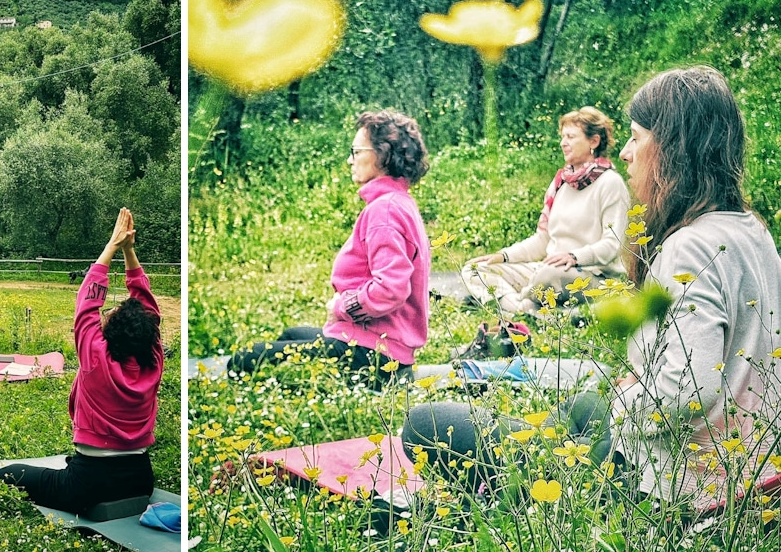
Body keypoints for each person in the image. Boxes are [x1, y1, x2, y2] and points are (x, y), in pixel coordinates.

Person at [403, 66, 781, 513]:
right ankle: (545, 450)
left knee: (424, 423)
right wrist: (637, 386)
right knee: (584, 403)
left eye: (636, 139)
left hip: (671, 481)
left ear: (674, 150)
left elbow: (688, 391)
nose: (626, 152)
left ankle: (523, 489)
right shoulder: (752, 230)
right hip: (745, 463)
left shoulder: (690, 247)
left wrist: (626, 401)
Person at [223, 110, 432, 388]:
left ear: (383, 155)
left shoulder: (385, 211)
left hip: (376, 357)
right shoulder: (399, 202)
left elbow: (390, 290)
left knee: (243, 360)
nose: (350, 160)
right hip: (381, 346)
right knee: (291, 335)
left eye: (356, 151)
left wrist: (342, 306)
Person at [0, 208, 162, 514]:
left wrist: (112, 246)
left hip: (89, 484)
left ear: (111, 332)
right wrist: (129, 251)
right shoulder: (153, 360)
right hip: (140, 480)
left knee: (2, 476)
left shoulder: (96, 356)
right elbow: (148, 307)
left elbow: (86, 301)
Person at [461, 107, 631, 314]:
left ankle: (517, 306)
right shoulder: (561, 183)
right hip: (547, 271)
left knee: (548, 276)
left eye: (570, 137)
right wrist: (503, 256)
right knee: (475, 270)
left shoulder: (611, 183)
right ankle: (528, 309)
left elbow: (612, 245)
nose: (563, 143)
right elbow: (543, 240)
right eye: (562, 137)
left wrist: (574, 256)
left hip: (590, 276)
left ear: (593, 141)